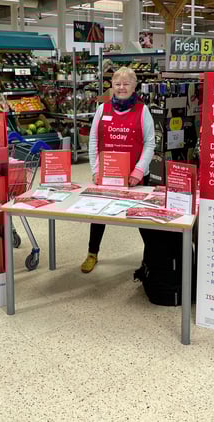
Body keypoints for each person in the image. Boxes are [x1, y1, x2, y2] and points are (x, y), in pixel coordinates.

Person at [81, 67, 155, 273]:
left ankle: (150, 258)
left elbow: (150, 144)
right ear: (111, 86)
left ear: (134, 86)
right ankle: (92, 253)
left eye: (126, 84)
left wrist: (138, 171)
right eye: (117, 84)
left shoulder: (143, 110)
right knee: (98, 216)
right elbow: (94, 140)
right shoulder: (102, 109)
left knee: (142, 218)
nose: (121, 88)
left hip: (135, 177)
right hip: (107, 174)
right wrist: (96, 170)